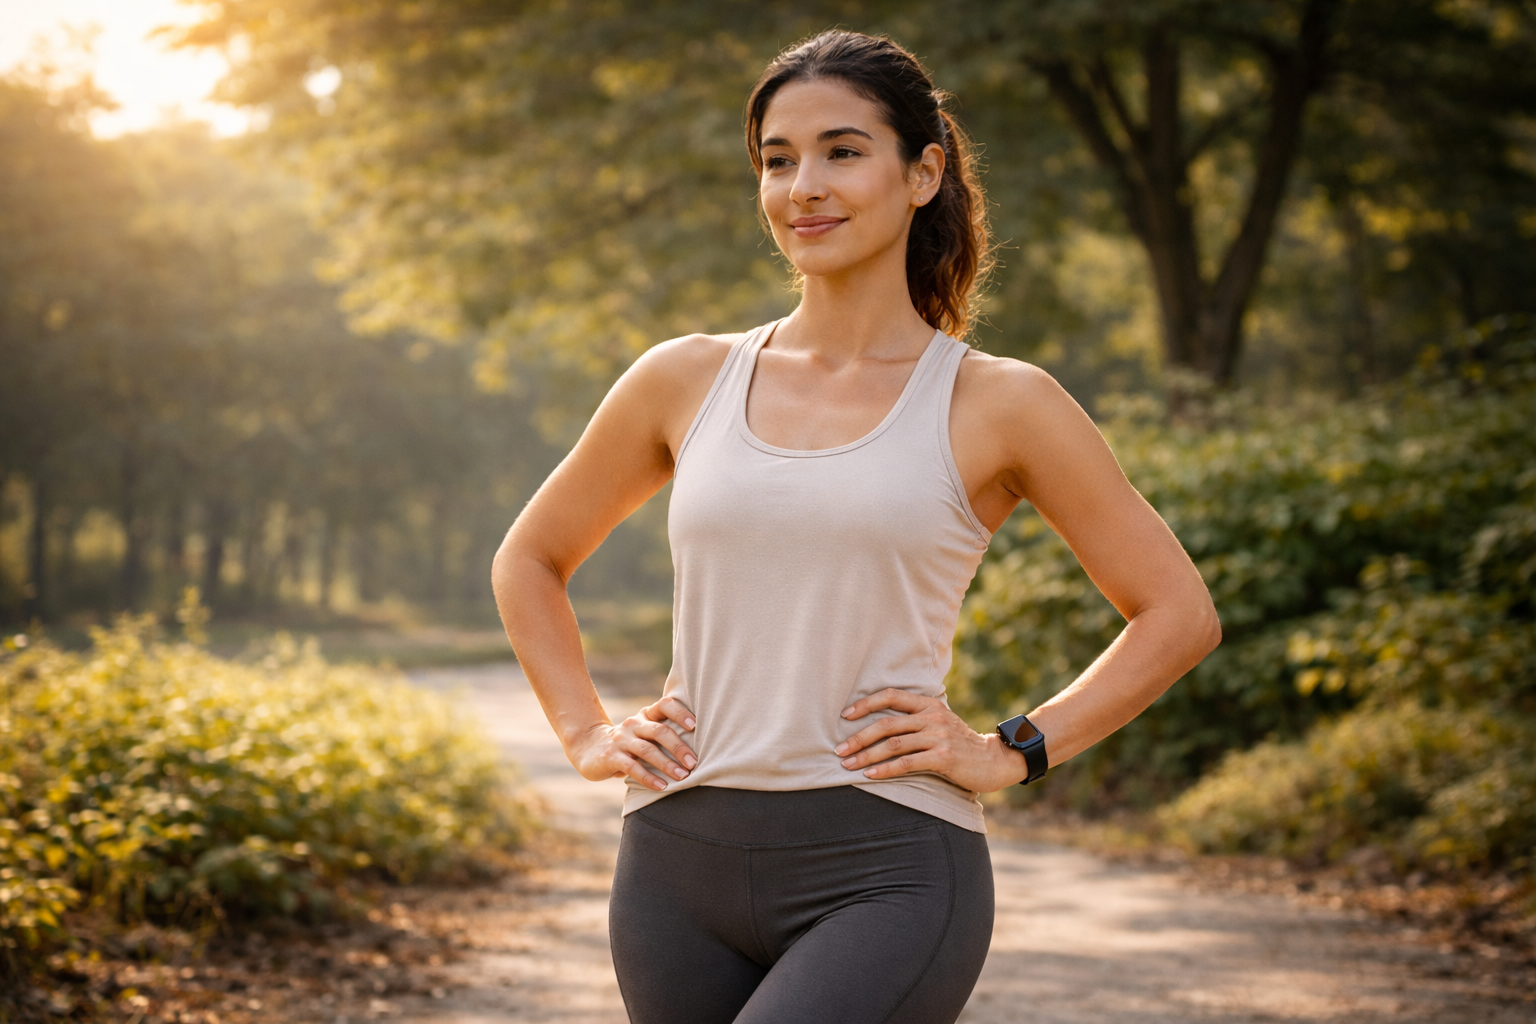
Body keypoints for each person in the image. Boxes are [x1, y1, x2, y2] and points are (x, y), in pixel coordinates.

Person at [491, 28, 1221, 1024]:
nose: (804, 187)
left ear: (923, 174)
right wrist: (586, 732)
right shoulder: (682, 378)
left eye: (841, 151)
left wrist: (1014, 747)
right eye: (777, 161)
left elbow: (1178, 612)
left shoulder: (1001, 402)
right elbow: (531, 558)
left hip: (885, 866)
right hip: (673, 867)